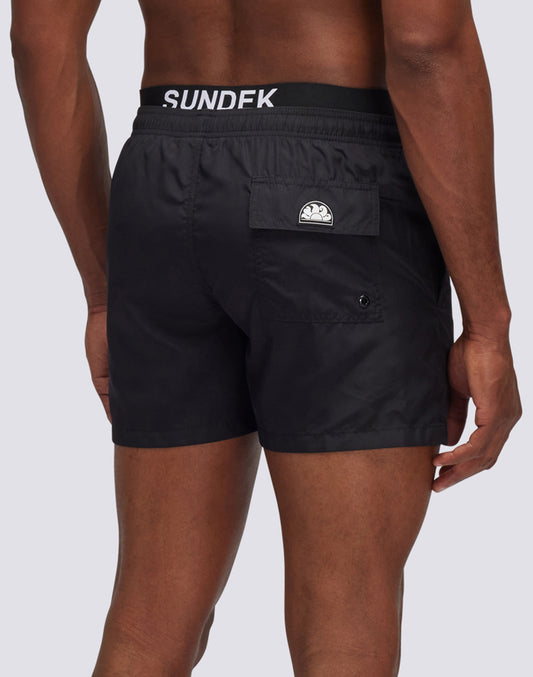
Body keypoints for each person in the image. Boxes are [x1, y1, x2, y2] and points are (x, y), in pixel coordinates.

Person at [10, 0, 522, 675]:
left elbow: (38, 40)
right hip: (334, 182)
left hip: (161, 169)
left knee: (149, 621)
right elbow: (427, 39)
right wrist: (487, 324)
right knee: (345, 617)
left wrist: (103, 289)